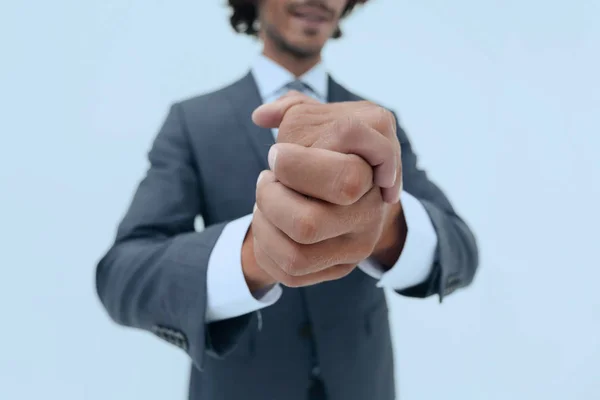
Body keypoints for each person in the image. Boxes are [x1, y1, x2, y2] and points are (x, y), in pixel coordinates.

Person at [95, 0, 479, 399]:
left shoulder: (379, 124)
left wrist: (384, 224)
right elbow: (123, 275)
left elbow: (461, 249)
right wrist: (251, 256)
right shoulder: (193, 122)